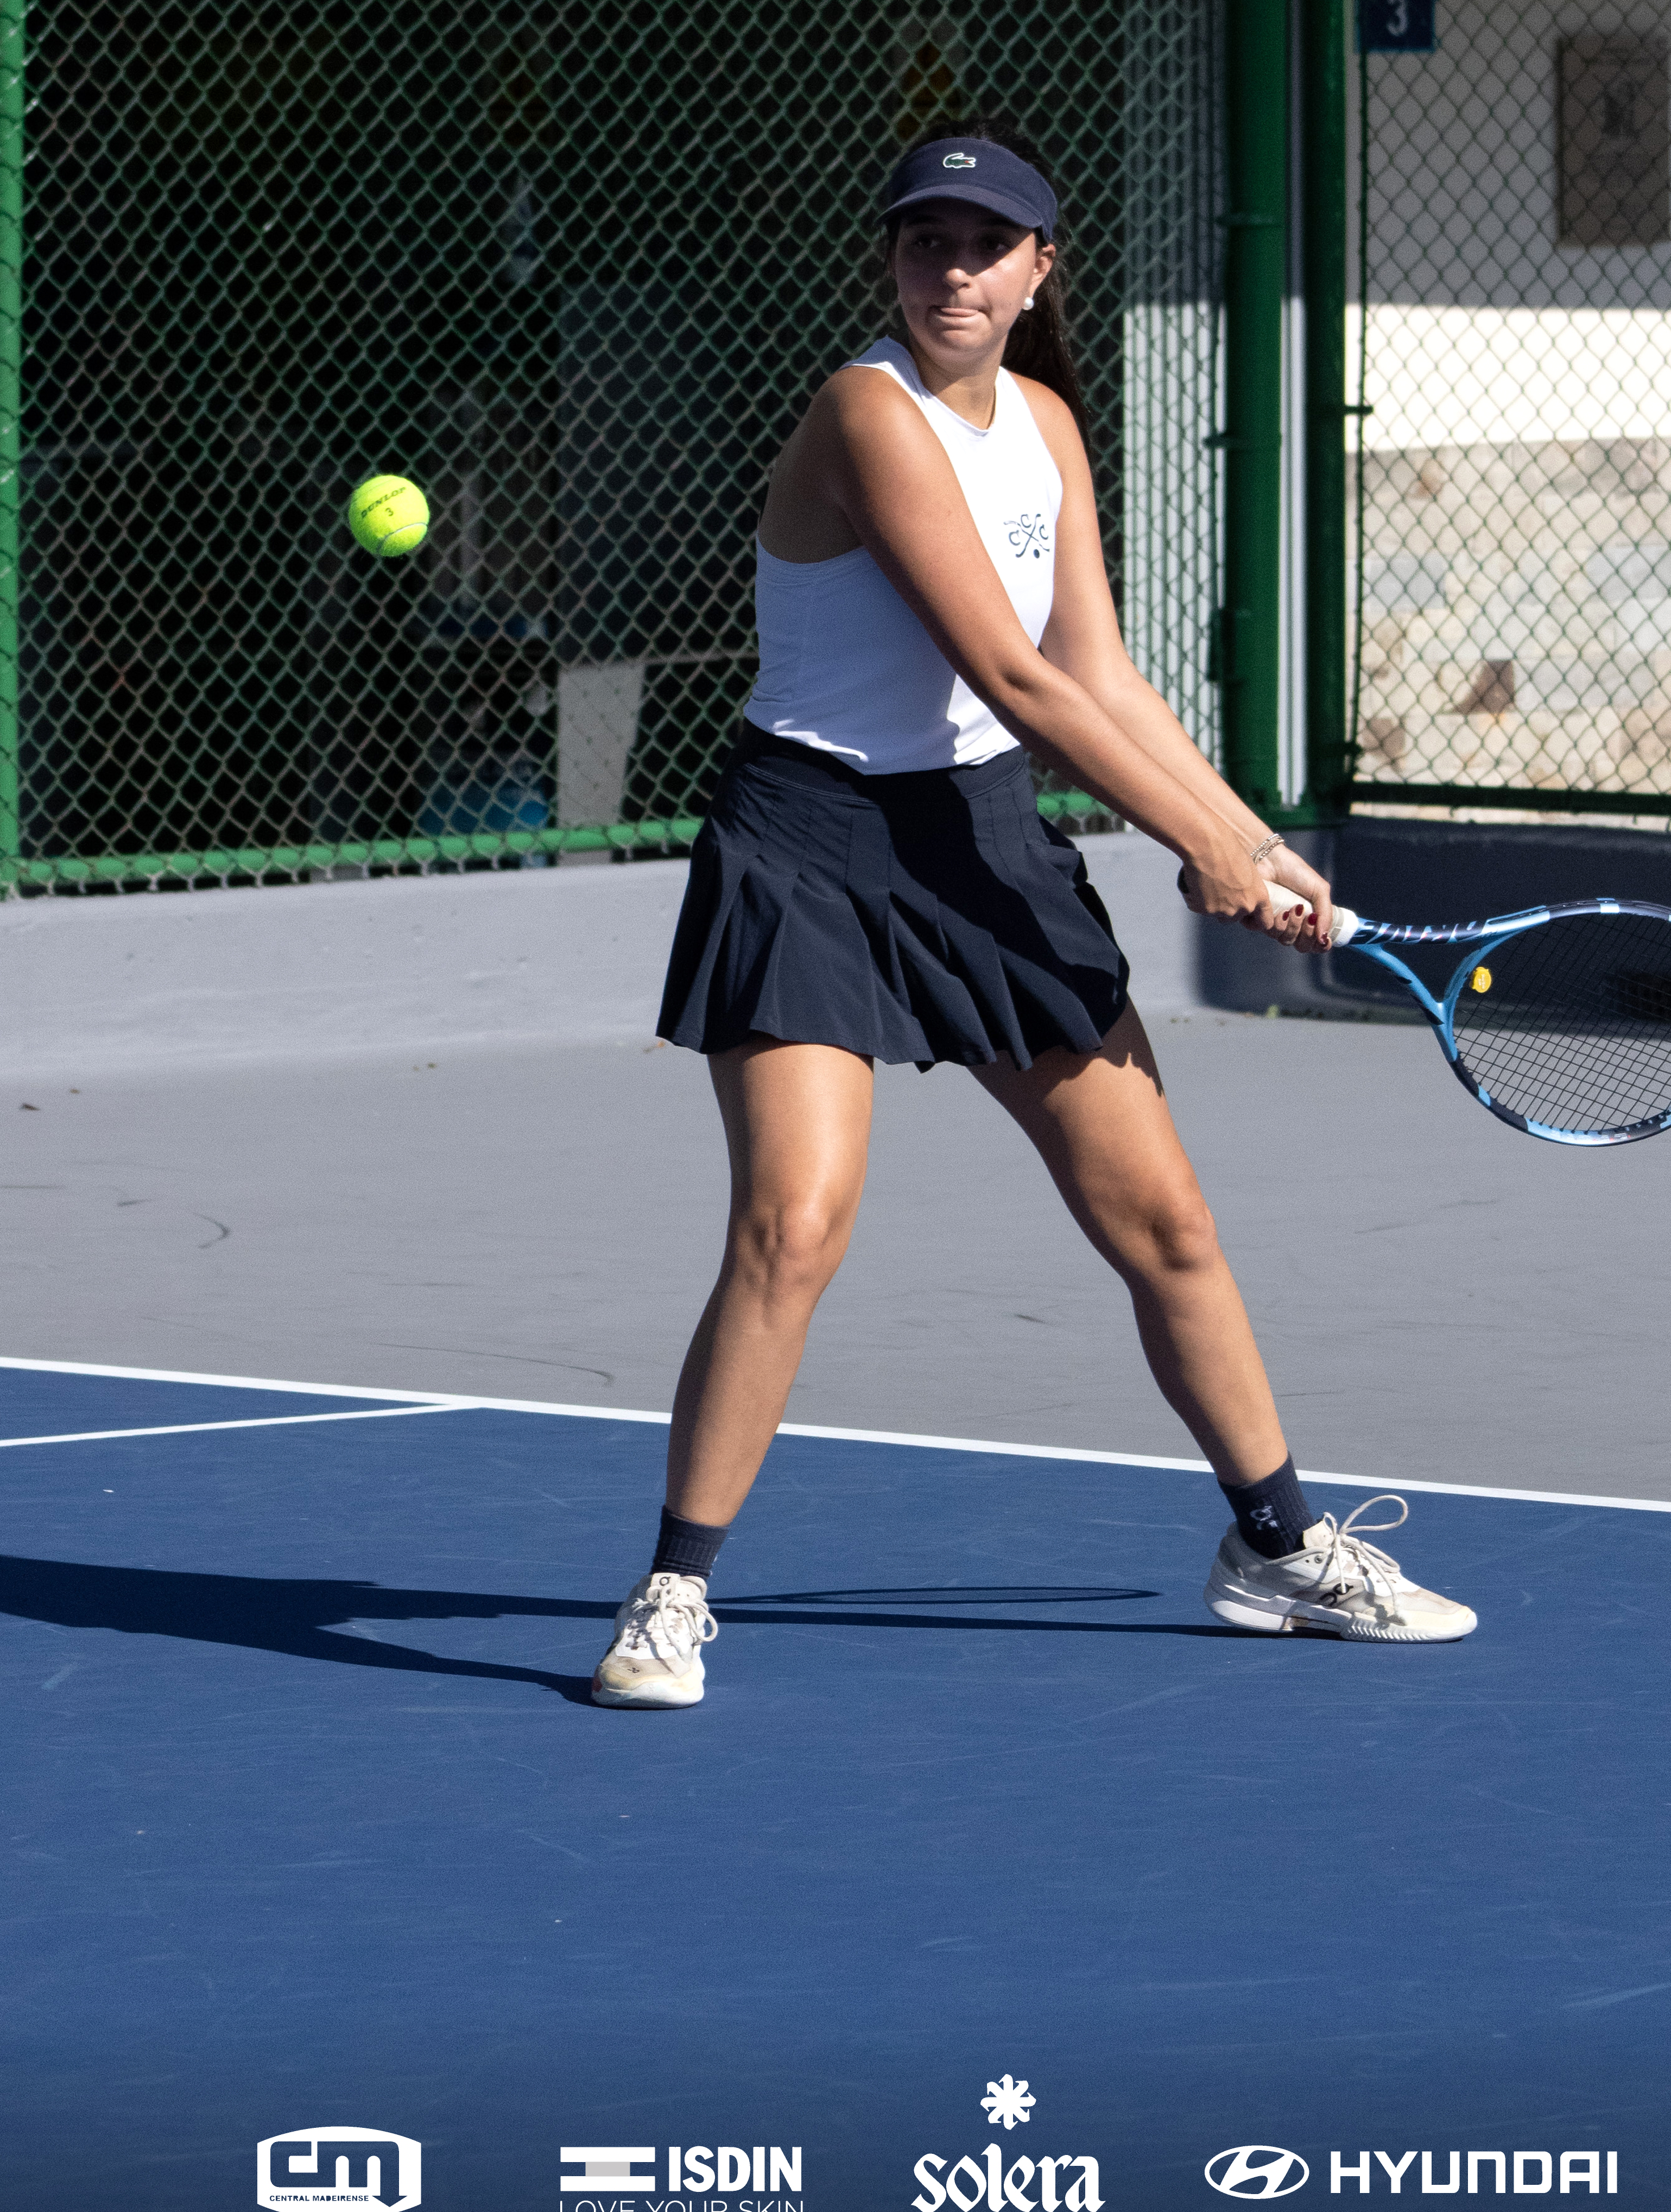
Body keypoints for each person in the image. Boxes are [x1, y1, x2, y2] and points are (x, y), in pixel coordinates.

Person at [591, 123, 1475, 1708]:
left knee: (1168, 1224)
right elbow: (1005, 668)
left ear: (1037, 271)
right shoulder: (867, 414)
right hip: (807, 843)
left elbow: (1099, 673)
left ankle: (1275, 1546)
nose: (954, 269)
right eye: (927, 240)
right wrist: (1195, 840)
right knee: (795, 1227)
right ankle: (672, 1592)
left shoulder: (1050, 425)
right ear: (892, 258)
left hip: (984, 849)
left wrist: (1250, 839)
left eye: (986, 245)